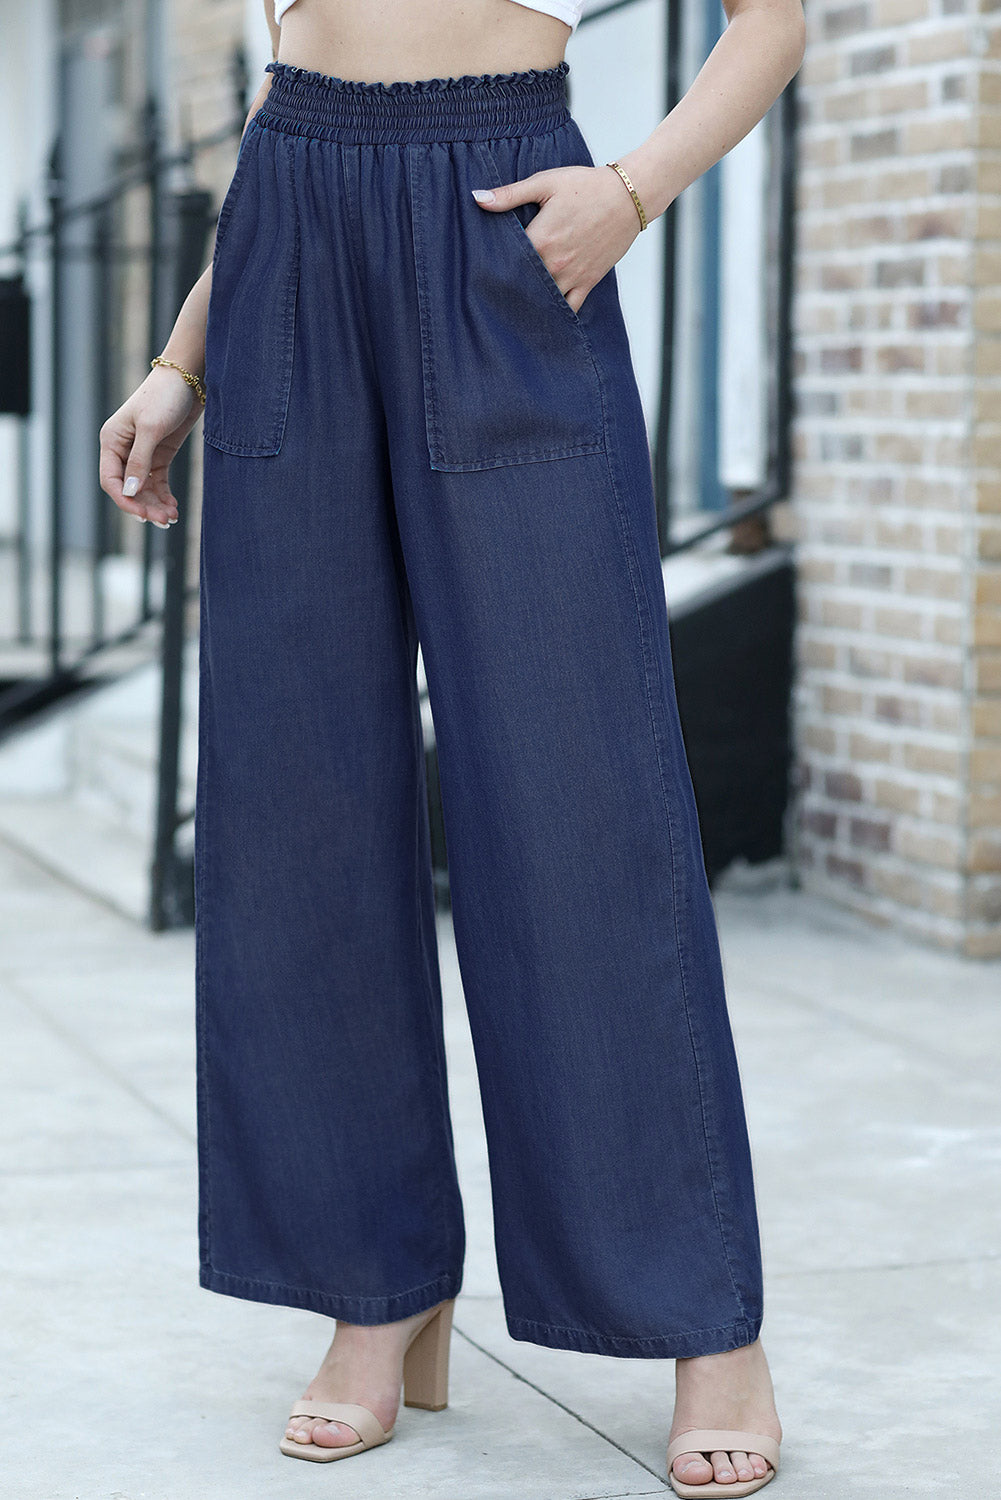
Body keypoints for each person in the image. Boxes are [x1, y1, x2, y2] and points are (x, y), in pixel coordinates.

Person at [98, 0, 806, 1492]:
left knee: (582, 805)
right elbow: (292, 94)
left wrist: (632, 189)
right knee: (300, 807)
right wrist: (182, 360)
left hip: (497, 212)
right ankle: (376, 1290)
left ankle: (702, 1317)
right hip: (291, 224)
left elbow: (773, 20)